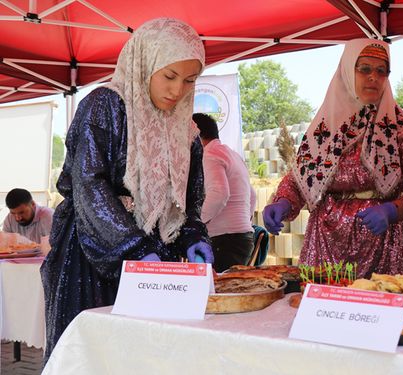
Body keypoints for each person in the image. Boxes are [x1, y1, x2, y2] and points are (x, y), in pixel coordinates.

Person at [41, 18, 213, 360]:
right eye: (169, 76)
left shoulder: (187, 131)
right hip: (91, 257)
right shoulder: (104, 106)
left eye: (189, 80)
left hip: (153, 260)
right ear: (143, 63)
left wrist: (194, 235)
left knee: (145, 357)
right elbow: (88, 184)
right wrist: (132, 247)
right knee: (95, 355)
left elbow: (188, 201)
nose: (177, 90)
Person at [263, 39, 403, 277]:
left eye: (381, 71)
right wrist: (282, 202)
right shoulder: (324, 129)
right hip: (327, 245)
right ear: (347, 71)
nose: (373, 77)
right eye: (364, 69)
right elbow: (301, 180)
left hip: (388, 248)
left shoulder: (402, 130)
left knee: (384, 309)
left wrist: (393, 210)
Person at [193, 113, 257, 272]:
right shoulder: (232, 155)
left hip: (224, 240)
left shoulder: (208, 155)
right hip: (242, 238)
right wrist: (242, 223)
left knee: (218, 293)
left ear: (195, 135)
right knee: (230, 291)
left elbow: (219, 194)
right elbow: (252, 195)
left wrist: (196, 223)